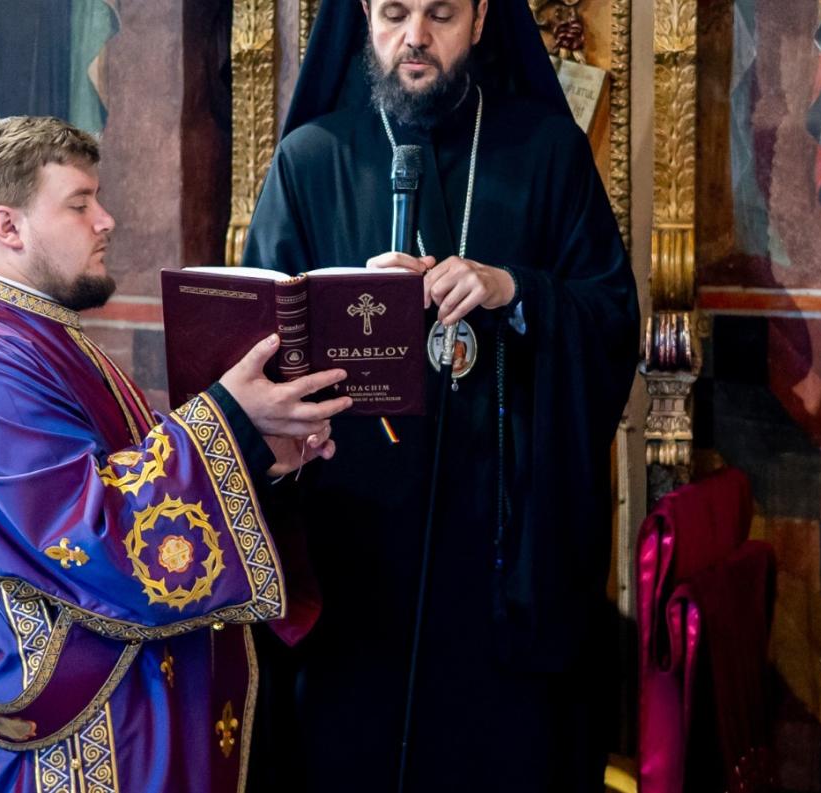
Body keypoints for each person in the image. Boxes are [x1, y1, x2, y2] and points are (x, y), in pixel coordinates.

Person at [0, 115, 350, 792]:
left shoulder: (28, 332)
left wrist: (260, 452)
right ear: (8, 227)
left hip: (114, 717)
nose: (106, 220)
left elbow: (134, 463)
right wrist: (231, 420)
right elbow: (91, 534)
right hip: (59, 756)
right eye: (79, 204)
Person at [240, 0, 639, 789]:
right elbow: (253, 357)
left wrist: (515, 291)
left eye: (441, 15)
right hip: (350, 552)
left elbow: (611, 320)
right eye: (394, 14)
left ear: (482, 20)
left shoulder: (547, 153)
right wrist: (340, 305)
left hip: (500, 549)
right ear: (365, 16)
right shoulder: (311, 161)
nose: (415, 37)